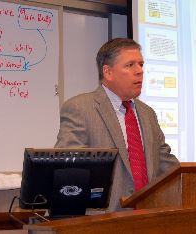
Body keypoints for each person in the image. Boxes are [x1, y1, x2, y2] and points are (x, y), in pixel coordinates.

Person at [55, 38, 179, 212]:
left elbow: (167, 165)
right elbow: (69, 170)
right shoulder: (80, 108)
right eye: (130, 65)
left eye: (141, 64)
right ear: (108, 72)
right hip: (103, 223)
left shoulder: (148, 113)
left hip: (148, 220)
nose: (139, 71)